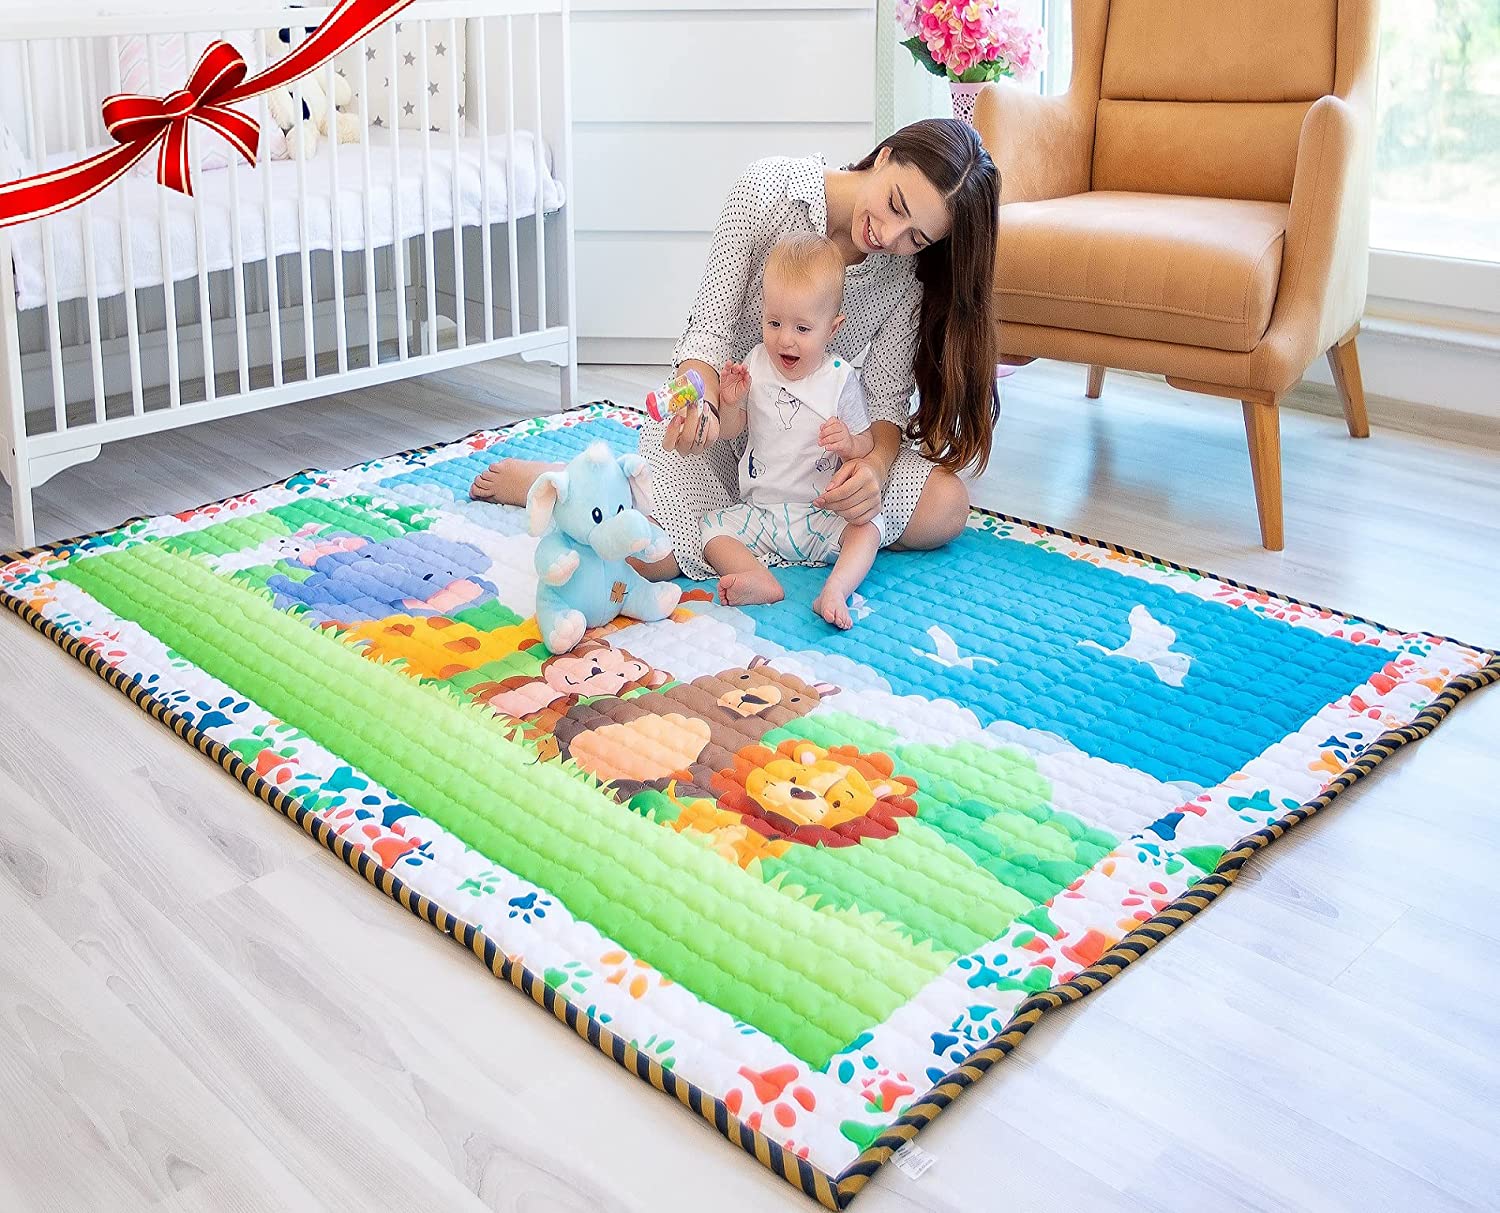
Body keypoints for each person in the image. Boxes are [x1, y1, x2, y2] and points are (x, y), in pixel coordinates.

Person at [471, 118, 1000, 585]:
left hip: (813, 467)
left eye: (916, 237)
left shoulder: (904, 276)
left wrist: (875, 471)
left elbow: (885, 402)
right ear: (884, 156)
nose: (890, 235)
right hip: (723, 428)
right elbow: (707, 330)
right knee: (649, 558)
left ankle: (756, 527)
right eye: (895, 205)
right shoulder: (768, 190)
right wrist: (698, 403)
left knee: (946, 506)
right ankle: (572, 483)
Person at [700, 233, 882, 629]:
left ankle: (835, 589)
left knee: (868, 529)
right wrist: (730, 402)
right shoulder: (756, 363)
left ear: (832, 329)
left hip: (821, 514)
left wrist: (849, 443)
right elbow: (732, 431)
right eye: (774, 322)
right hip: (761, 512)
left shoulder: (839, 379)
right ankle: (756, 577)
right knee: (711, 531)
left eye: (802, 328)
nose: (785, 339)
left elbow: (867, 443)